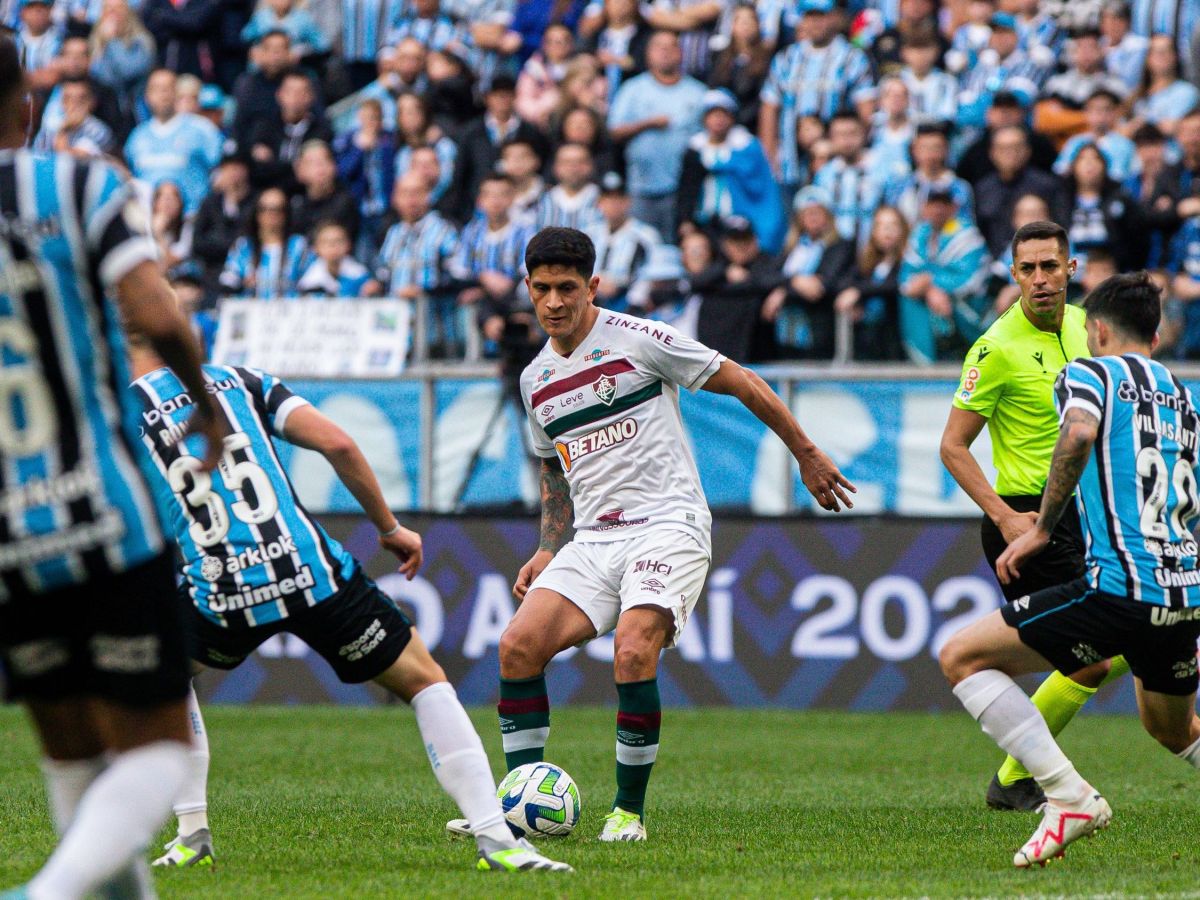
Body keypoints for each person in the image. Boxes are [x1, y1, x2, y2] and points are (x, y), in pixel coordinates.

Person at [445, 226, 855, 844]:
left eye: (567, 289)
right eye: (542, 289)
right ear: (527, 289)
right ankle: (520, 808)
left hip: (670, 524)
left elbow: (739, 379)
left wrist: (806, 454)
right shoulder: (534, 380)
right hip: (594, 539)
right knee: (517, 647)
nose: (554, 302)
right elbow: (553, 468)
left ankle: (627, 815)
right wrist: (548, 545)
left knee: (634, 650)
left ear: (593, 287)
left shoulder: (639, 341)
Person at [127, 348, 572, 875]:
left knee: (165, 675)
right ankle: (497, 839)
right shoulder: (239, 381)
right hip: (309, 569)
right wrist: (389, 528)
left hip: (221, 586)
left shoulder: (117, 415)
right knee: (424, 681)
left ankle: (191, 833)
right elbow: (337, 442)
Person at [0, 32, 227, 899]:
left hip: (11, 529)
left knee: (71, 754)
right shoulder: (81, 183)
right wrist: (203, 397)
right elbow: (158, 316)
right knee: (160, 746)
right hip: (104, 508)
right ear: (27, 103)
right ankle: (50, 894)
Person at [940, 271, 1200, 868]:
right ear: (1155, 337)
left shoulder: (1087, 371)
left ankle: (1067, 795)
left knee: (961, 657)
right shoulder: (1181, 395)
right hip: (1180, 590)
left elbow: (1078, 431)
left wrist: (1039, 527)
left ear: (1097, 329)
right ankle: (1049, 790)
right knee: (1171, 729)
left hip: (1120, 587)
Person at [939, 220, 1127, 813]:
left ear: (1072, 269)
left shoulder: (1086, 326)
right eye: (1029, 269)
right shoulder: (996, 349)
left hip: (1088, 517)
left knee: (1104, 649)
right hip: (1026, 522)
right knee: (1097, 652)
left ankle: (1019, 776)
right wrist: (1005, 518)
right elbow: (952, 446)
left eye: (1051, 266)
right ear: (1014, 275)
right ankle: (1020, 778)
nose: (1041, 280)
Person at [757, 0, 875, 192]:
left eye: (821, 16)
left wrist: (841, 145)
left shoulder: (852, 58)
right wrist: (769, 156)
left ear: (835, 17)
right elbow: (769, 109)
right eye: (809, 17)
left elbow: (866, 111)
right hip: (790, 166)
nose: (815, 23)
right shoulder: (786, 58)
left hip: (835, 165)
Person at [607, 30, 706, 240]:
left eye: (672, 47)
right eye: (659, 47)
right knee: (639, 242)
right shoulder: (632, 89)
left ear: (681, 53)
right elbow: (614, 131)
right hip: (640, 187)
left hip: (683, 190)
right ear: (648, 53)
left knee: (676, 245)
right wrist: (646, 124)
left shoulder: (698, 93)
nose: (666, 52)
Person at [676, 87, 785, 255]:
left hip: (739, 218)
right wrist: (686, 218)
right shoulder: (695, 149)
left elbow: (759, 183)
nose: (718, 120)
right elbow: (687, 187)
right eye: (713, 115)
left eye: (723, 114)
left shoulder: (746, 146)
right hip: (705, 216)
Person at [898, 190, 991, 363]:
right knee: (910, 300)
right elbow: (906, 279)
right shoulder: (920, 234)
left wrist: (934, 284)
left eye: (944, 204)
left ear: (953, 207)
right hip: (929, 306)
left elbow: (973, 280)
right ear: (924, 207)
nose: (938, 209)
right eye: (933, 204)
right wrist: (929, 289)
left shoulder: (967, 234)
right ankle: (922, 363)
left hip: (969, 307)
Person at [124, 68, 223, 216]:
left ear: (177, 93)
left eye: (167, 88)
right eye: (156, 89)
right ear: (146, 96)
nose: (162, 94)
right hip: (148, 222)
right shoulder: (137, 137)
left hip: (193, 219)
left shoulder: (202, 130)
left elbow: (220, 174)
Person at [586, 171, 662, 312]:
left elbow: (653, 272)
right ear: (599, 203)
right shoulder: (589, 234)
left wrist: (631, 297)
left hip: (629, 303)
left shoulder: (646, 235)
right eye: (608, 199)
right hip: (590, 299)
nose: (613, 204)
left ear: (628, 202)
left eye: (618, 199)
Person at [220, 186, 309, 299]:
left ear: (286, 214)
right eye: (264, 209)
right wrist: (242, 285)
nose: (271, 215)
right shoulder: (244, 246)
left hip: (290, 312)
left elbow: (310, 280)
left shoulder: (298, 245)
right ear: (256, 213)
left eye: (278, 209)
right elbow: (229, 279)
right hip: (250, 311)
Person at [297, 220, 381, 297]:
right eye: (326, 242)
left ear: (348, 245)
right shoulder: (308, 280)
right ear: (316, 248)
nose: (333, 246)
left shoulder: (360, 275)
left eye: (338, 241)